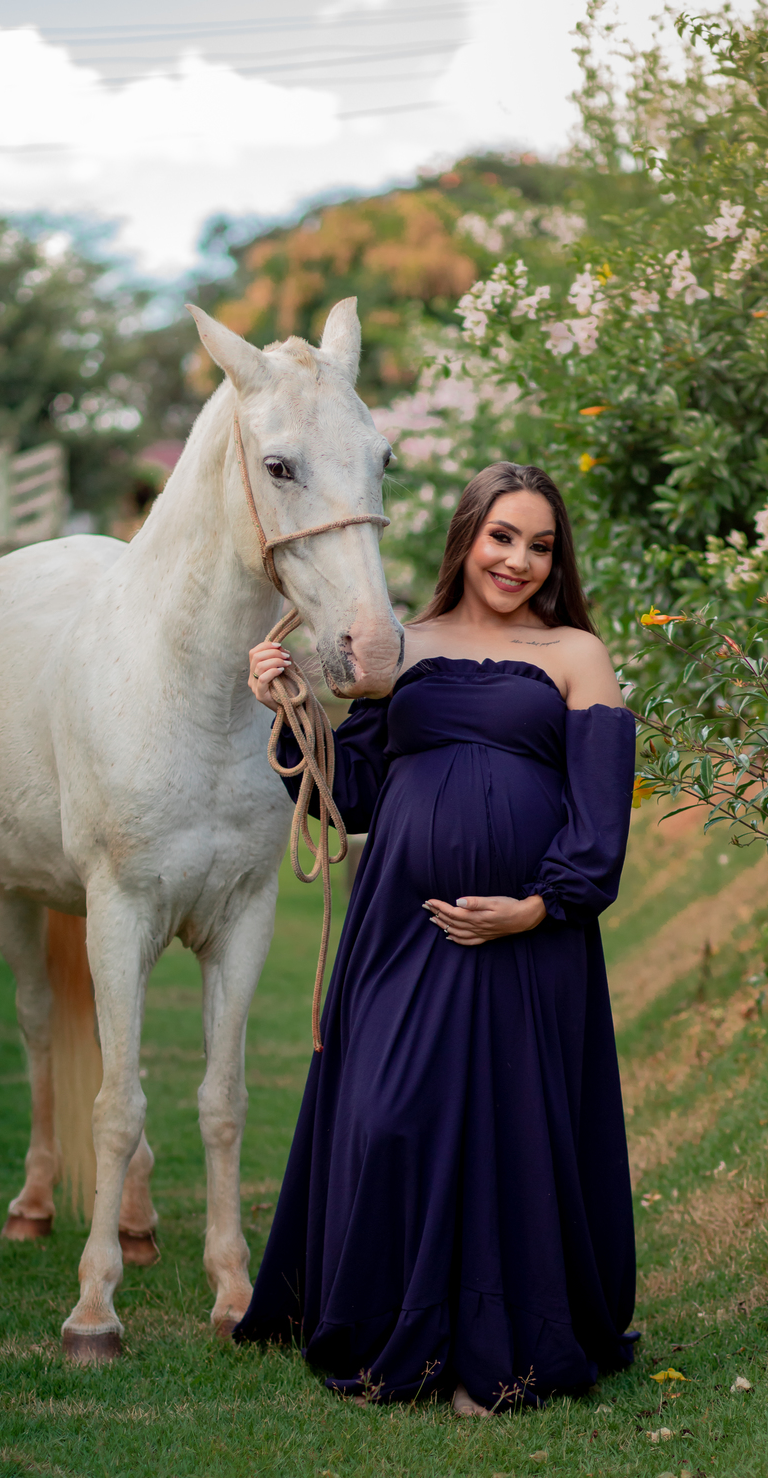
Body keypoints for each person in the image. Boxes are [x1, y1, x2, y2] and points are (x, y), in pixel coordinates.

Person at [234, 462, 637, 1415]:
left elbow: (600, 818)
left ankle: (498, 1354)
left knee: (509, 1136)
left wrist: (535, 907)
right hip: (400, 933)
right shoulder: (399, 644)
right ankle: (391, 1335)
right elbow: (352, 797)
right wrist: (291, 709)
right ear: (468, 537)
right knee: (390, 1115)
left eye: (540, 546)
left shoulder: (576, 653)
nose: (519, 561)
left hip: (531, 940)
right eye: (503, 536)